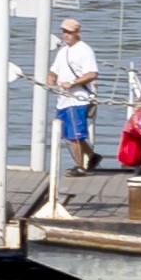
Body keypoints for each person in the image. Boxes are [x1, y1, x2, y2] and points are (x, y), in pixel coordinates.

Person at [47, 15, 99, 179]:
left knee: (74, 135)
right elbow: (53, 71)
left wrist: (74, 83)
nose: (65, 35)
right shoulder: (63, 51)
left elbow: (92, 73)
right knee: (69, 133)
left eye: (69, 32)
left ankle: (79, 166)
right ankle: (92, 156)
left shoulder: (85, 50)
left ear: (77, 32)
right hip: (63, 100)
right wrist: (51, 80)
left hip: (78, 99)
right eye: (64, 31)